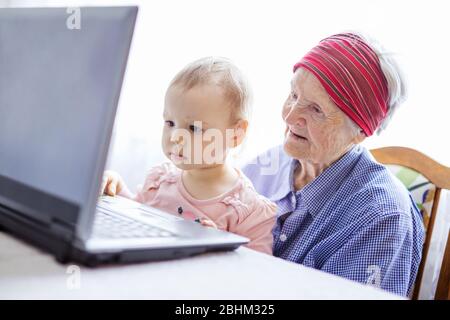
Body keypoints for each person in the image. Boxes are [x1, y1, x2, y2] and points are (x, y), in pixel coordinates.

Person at [242, 33, 425, 295]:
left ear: (360, 131)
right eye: (293, 94)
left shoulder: (382, 219)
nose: (291, 116)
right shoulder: (265, 165)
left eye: (316, 109)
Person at [101, 57, 276, 254]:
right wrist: (116, 190)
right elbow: (138, 217)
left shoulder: (248, 212)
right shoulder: (160, 181)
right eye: (170, 123)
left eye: (194, 128)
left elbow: (258, 272)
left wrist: (219, 247)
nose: (176, 137)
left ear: (236, 134)